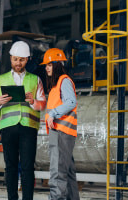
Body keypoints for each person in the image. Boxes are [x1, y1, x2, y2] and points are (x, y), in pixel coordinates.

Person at [0, 41, 46, 200]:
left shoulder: (36, 80)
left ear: (27, 59)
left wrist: (32, 101)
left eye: (21, 59)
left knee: (28, 167)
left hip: (28, 127)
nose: (18, 63)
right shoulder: (0, 80)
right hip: (8, 128)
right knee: (11, 167)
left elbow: (42, 104)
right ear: (10, 58)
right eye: (15, 59)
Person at [41, 48, 80, 200]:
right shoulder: (57, 85)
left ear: (57, 64)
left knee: (57, 173)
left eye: (49, 64)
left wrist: (52, 113)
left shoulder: (64, 81)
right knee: (68, 174)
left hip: (61, 133)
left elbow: (71, 102)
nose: (46, 68)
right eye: (46, 65)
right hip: (61, 133)